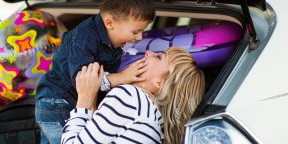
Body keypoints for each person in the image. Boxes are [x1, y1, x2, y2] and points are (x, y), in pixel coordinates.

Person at [35, 0, 156, 143]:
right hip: (58, 103)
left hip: (68, 104)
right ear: (110, 23)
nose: (140, 37)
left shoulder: (116, 41)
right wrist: (122, 77)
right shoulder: (84, 37)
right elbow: (84, 81)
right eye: (136, 31)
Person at [61, 47, 206, 144]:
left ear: (159, 82)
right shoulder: (153, 120)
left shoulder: (130, 98)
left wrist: (84, 98)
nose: (148, 52)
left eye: (159, 56)